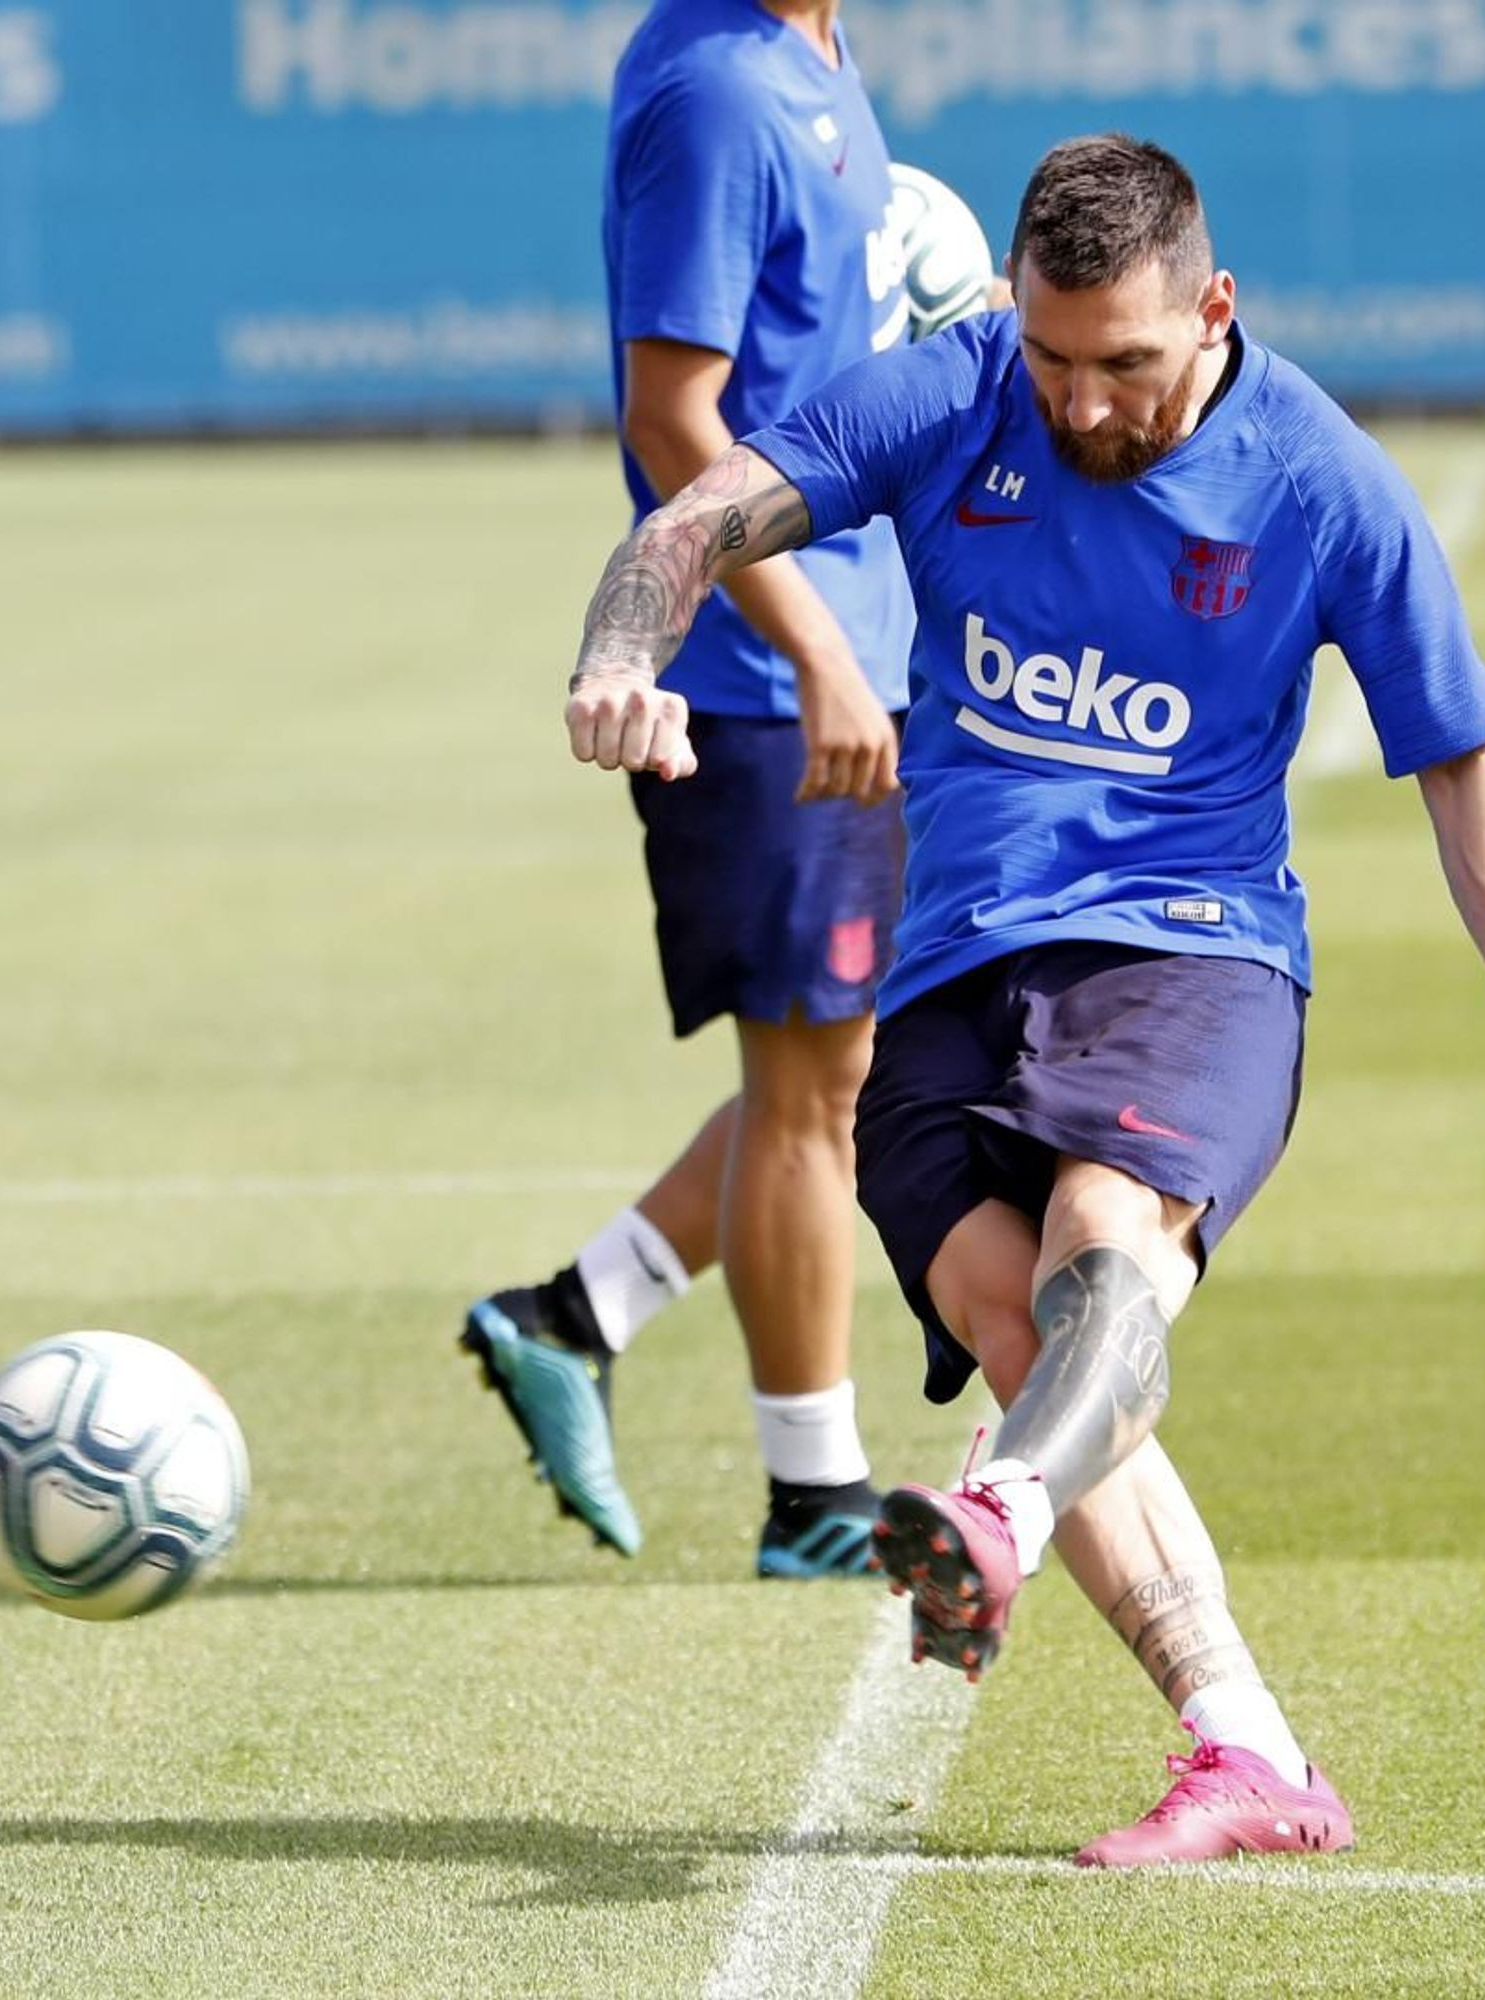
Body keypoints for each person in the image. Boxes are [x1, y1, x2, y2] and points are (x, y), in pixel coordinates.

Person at [557, 135, 1485, 1864]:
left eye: (1123, 364)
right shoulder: (961, 390)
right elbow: (695, 515)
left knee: (1102, 1249)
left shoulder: (1320, 478)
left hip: (1191, 944)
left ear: (1212, 310)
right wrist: (621, 654)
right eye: (1052, 357)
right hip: (959, 958)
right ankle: (1248, 1749)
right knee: (1007, 1314)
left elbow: (1463, 754)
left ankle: (994, 1507)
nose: (1081, 402)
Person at [460, 0, 917, 1578]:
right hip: (758, 681)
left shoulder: (810, 48)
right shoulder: (724, 88)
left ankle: (572, 1318)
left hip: (847, 646)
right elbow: (674, 419)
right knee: (812, 1090)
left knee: (840, 1074)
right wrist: (811, 651)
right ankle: (814, 1496)